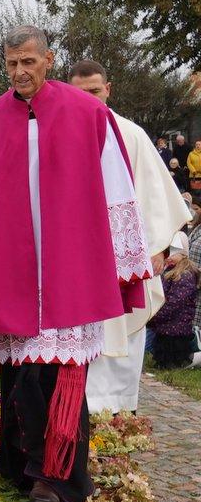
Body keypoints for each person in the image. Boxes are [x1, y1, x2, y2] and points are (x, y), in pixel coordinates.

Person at [0, 25, 152, 502]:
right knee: (22, 376)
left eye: (29, 62)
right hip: (16, 267)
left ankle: (57, 478)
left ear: (49, 58)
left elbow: (116, 189)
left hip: (72, 265)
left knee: (60, 377)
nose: (20, 72)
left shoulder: (89, 113)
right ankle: (22, 467)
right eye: (11, 64)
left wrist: (121, 262)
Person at [69, 59, 190, 414]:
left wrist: (157, 249)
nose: (89, 99)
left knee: (121, 330)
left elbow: (156, 197)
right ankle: (75, 413)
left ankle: (120, 414)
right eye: (80, 93)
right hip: (76, 258)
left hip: (121, 258)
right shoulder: (57, 133)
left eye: (94, 91)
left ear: (108, 89)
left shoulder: (130, 134)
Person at [147, 235, 201, 369]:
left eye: (174, 253)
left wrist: (157, 315)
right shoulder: (169, 271)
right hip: (165, 326)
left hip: (177, 328)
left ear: (183, 255)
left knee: (176, 358)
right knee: (163, 355)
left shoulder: (185, 275)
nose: (169, 257)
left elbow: (174, 302)